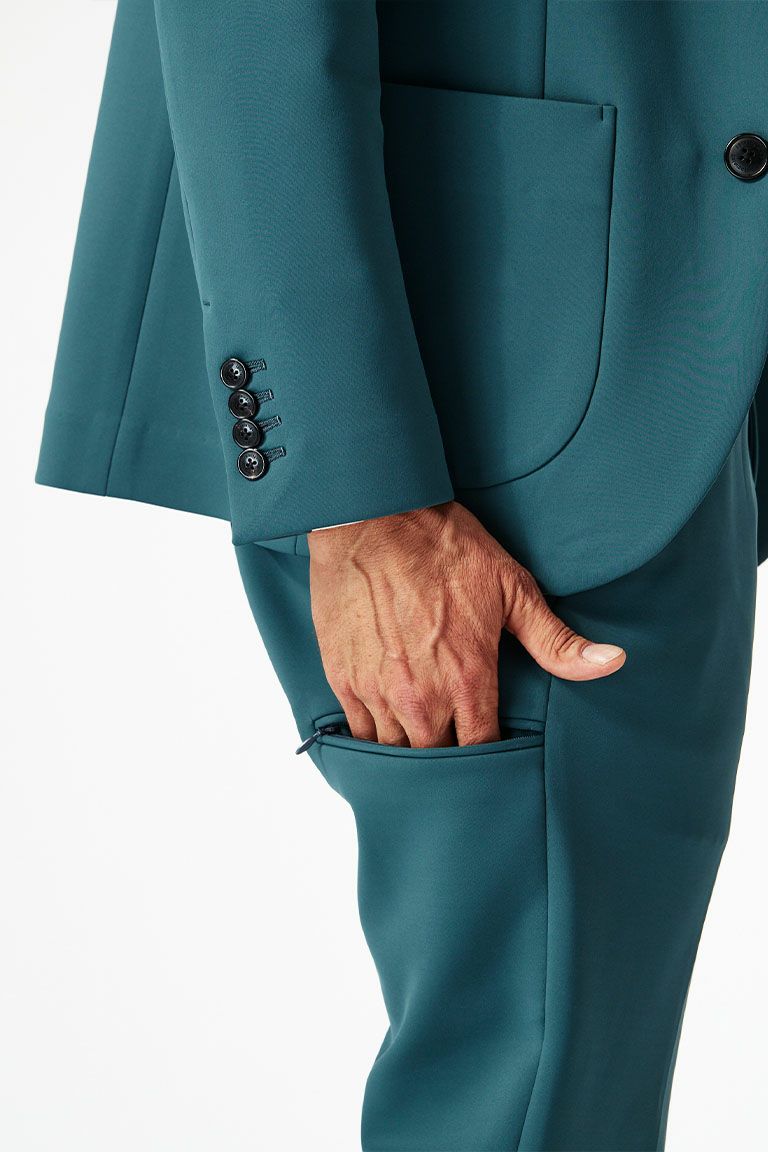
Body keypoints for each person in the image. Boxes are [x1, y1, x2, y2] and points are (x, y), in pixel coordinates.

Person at [37, 2, 768, 1149]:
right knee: (526, 1099)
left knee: (581, 1091)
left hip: (684, 338)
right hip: (500, 383)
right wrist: (357, 498)